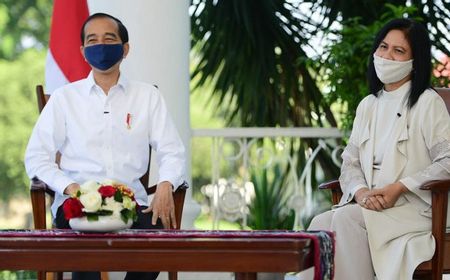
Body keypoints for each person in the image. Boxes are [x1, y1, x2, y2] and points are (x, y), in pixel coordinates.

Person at [24, 12, 185, 280]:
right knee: (86, 242)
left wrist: (167, 183)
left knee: (157, 236)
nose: (101, 45)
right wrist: (70, 188)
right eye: (93, 40)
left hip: (131, 202)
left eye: (109, 39)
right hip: (77, 202)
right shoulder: (65, 99)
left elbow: (172, 151)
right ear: (83, 52)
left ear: (125, 49)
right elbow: (36, 157)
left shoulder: (148, 96)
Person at [308, 18, 450, 280]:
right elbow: (350, 162)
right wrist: (361, 193)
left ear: (415, 61)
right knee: (319, 227)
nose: (387, 56)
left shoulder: (428, 103)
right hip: (369, 203)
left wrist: (399, 187)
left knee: (345, 220)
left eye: (399, 51)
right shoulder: (368, 105)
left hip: (412, 209)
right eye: (383, 47)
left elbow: (447, 161)